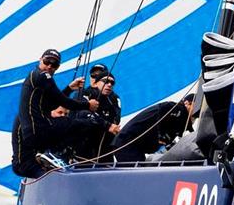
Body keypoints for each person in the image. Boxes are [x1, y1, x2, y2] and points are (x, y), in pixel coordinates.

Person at [11, 49, 99, 178]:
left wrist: (69, 89)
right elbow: (62, 101)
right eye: (47, 61)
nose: (50, 66)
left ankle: (55, 155)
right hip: (39, 134)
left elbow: (51, 104)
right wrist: (88, 105)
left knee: (68, 123)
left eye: (54, 64)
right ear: (40, 60)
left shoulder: (33, 86)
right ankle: (57, 154)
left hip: (34, 137)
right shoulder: (42, 76)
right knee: (84, 124)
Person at [112, 100, 192, 163]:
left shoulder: (184, 121)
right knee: (137, 175)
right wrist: (160, 135)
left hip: (136, 146)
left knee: (139, 171)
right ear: (187, 103)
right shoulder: (177, 108)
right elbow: (164, 108)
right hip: (126, 142)